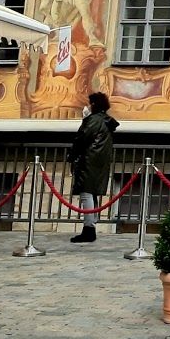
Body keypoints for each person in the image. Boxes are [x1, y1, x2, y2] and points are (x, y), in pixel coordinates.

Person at [68, 90, 119, 243]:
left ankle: (89, 229)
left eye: (90, 103)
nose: (88, 106)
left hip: (89, 160)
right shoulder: (105, 120)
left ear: (94, 104)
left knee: (86, 193)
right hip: (99, 161)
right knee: (92, 193)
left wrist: (85, 120)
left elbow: (82, 138)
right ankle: (91, 225)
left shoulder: (94, 120)